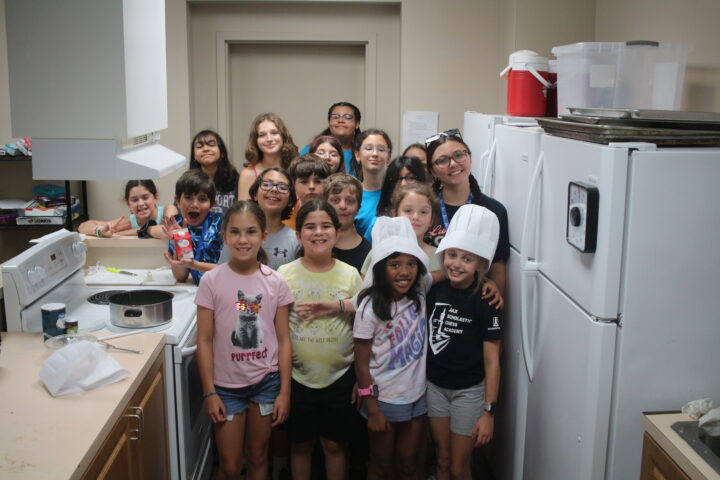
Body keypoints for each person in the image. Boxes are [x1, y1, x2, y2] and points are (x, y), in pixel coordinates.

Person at [195, 201, 293, 480]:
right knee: (230, 465)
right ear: (224, 236)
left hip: (266, 383)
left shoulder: (276, 282)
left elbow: (284, 340)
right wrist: (209, 392)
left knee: (259, 456)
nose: (242, 239)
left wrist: (284, 392)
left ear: (263, 236)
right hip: (225, 388)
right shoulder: (211, 281)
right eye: (235, 232)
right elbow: (204, 340)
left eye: (251, 232)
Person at [277, 200, 362, 480]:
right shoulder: (284, 275)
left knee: (335, 446)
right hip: (297, 379)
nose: (318, 232)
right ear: (299, 234)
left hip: (340, 378)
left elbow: (366, 319)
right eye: (310, 227)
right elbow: (265, 318)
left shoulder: (350, 274)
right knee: (300, 445)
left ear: (337, 233)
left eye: (326, 226)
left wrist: (362, 380)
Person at [426, 204, 502, 480]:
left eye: (467, 259)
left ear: (481, 265)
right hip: (434, 387)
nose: (456, 264)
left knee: (460, 467)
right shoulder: (434, 289)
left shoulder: (486, 300)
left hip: (469, 393)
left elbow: (492, 360)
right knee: (443, 461)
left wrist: (488, 411)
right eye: (452, 255)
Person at [353, 216, 430, 480]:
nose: (404, 272)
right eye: (395, 265)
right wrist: (372, 408)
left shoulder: (419, 291)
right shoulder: (369, 307)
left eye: (411, 264)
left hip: (416, 395)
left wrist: (483, 280)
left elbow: (450, 276)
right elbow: (361, 363)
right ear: (380, 268)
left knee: (408, 464)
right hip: (383, 399)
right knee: (381, 464)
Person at [425, 129, 509, 303]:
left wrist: (497, 319)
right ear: (432, 171)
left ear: (469, 157)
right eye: (442, 160)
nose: (453, 164)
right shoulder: (425, 209)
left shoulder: (493, 210)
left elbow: (497, 268)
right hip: (429, 304)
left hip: (473, 310)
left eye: (459, 155)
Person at [160, 170, 224, 285]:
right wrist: (179, 241)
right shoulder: (177, 225)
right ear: (177, 201)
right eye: (188, 197)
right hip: (198, 290)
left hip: (223, 290)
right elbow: (181, 276)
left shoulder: (221, 224)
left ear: (212, 204)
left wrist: (194, 264)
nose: (194, 204)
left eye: (202, 199)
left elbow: (231, 270)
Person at [78, 180, 177, 238]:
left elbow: (170, 231)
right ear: (128, 203)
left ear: (155, 197)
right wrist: (100, 231)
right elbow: (82, 227)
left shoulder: (168, 210)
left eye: (145, 198)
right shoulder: (128, 222)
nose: (141, 204)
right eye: (134, 200)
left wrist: (126, 233)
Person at [239, 113, 299, 201]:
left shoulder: (296, 168)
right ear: (255, 141)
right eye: (262, 135)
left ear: (283, 136)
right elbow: (243, 212)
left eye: (274, 133)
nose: (269, 139)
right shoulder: (248, 174)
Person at [324, 173, 371, 274]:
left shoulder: (370, 252)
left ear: (358, 208)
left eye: (350, 201)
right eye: (335, 200)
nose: (342, 206)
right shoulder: (316, 246)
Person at [351, 129, 393, 240]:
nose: (375, 154)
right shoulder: (350, 195)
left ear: (389, 157)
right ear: (357, 154)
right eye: (368, 148)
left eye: (381, 149)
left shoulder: (396, 194)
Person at [300, 101, 362, 173]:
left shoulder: (363, 153)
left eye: (347, 117)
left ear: (357, 124)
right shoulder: (310, 149)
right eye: (335, 117)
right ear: (329, 122)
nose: (340, 120)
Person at [189, 129, 240, 214]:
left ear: (222, 151)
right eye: (199, 146)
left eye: (211, 145)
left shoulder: (237, 181)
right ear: (194, 155)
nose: (205, 149)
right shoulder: (188, 183)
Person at [283, 154, 331, 230]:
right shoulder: (285, 218)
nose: (311, 186)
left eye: (318, 181)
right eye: (304, 182)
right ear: (293, 184)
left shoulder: (335, 214)